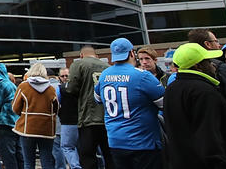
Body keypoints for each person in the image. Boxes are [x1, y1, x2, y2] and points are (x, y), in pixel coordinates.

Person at [163, 41, 226, 167]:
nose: (212, 64)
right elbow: (209, 136)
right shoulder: (204, 92)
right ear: (198, 66)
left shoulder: (172, 88)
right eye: (208, 61)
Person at [93, 38, 164, 168]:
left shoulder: (104, 75)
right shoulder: (142, 76)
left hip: (115, 141)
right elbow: (164, 104)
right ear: (132, 53)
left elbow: (97, 99)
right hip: (143, 142)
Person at [187, 28, 226, 132]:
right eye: (216, 41)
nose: (219, 45)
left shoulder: (185, 73)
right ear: (207, 44)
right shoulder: (221, 68)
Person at [66, 45, 111, 169]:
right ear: (96, 56)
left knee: (88, 157)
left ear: (81, 55)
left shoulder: (79, 64)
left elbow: (71, 88)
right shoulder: (108, 67)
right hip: (108, 117)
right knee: (109, 155)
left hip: (88, 116)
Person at [10, 62, 57, 169]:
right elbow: (56, 108)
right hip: (46, 130)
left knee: (28, 162)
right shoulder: (51, 89)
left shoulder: (23, 86)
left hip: (27, 128)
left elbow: (15, 108)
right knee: (47, 161)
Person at [54, 68, 78, 169]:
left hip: (67, 122)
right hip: (78, 121)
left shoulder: (60, 89)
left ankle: (76, 166)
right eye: (62, 76)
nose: (64, 78)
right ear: (59, 77)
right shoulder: (79, 88)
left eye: (66, 76)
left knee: (67, 147)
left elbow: (56, 104)